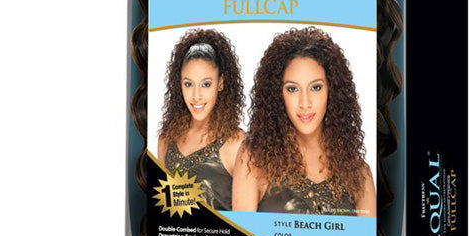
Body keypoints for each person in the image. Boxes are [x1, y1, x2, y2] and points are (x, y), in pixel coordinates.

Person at [233, 27, 376, 216]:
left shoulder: (359, 174)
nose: (305, 103)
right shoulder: (253, 160)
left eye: (315, 87)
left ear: (332, 90)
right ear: (277, 94)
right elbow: (242, 234)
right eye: (292, 89)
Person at [157, 29, 245, 211]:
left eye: (206, 84)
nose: (196, 96)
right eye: (188, 84)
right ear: (179, 83)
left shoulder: (237, 144)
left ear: (220, 83)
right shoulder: (165, 140)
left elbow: (246, 223)